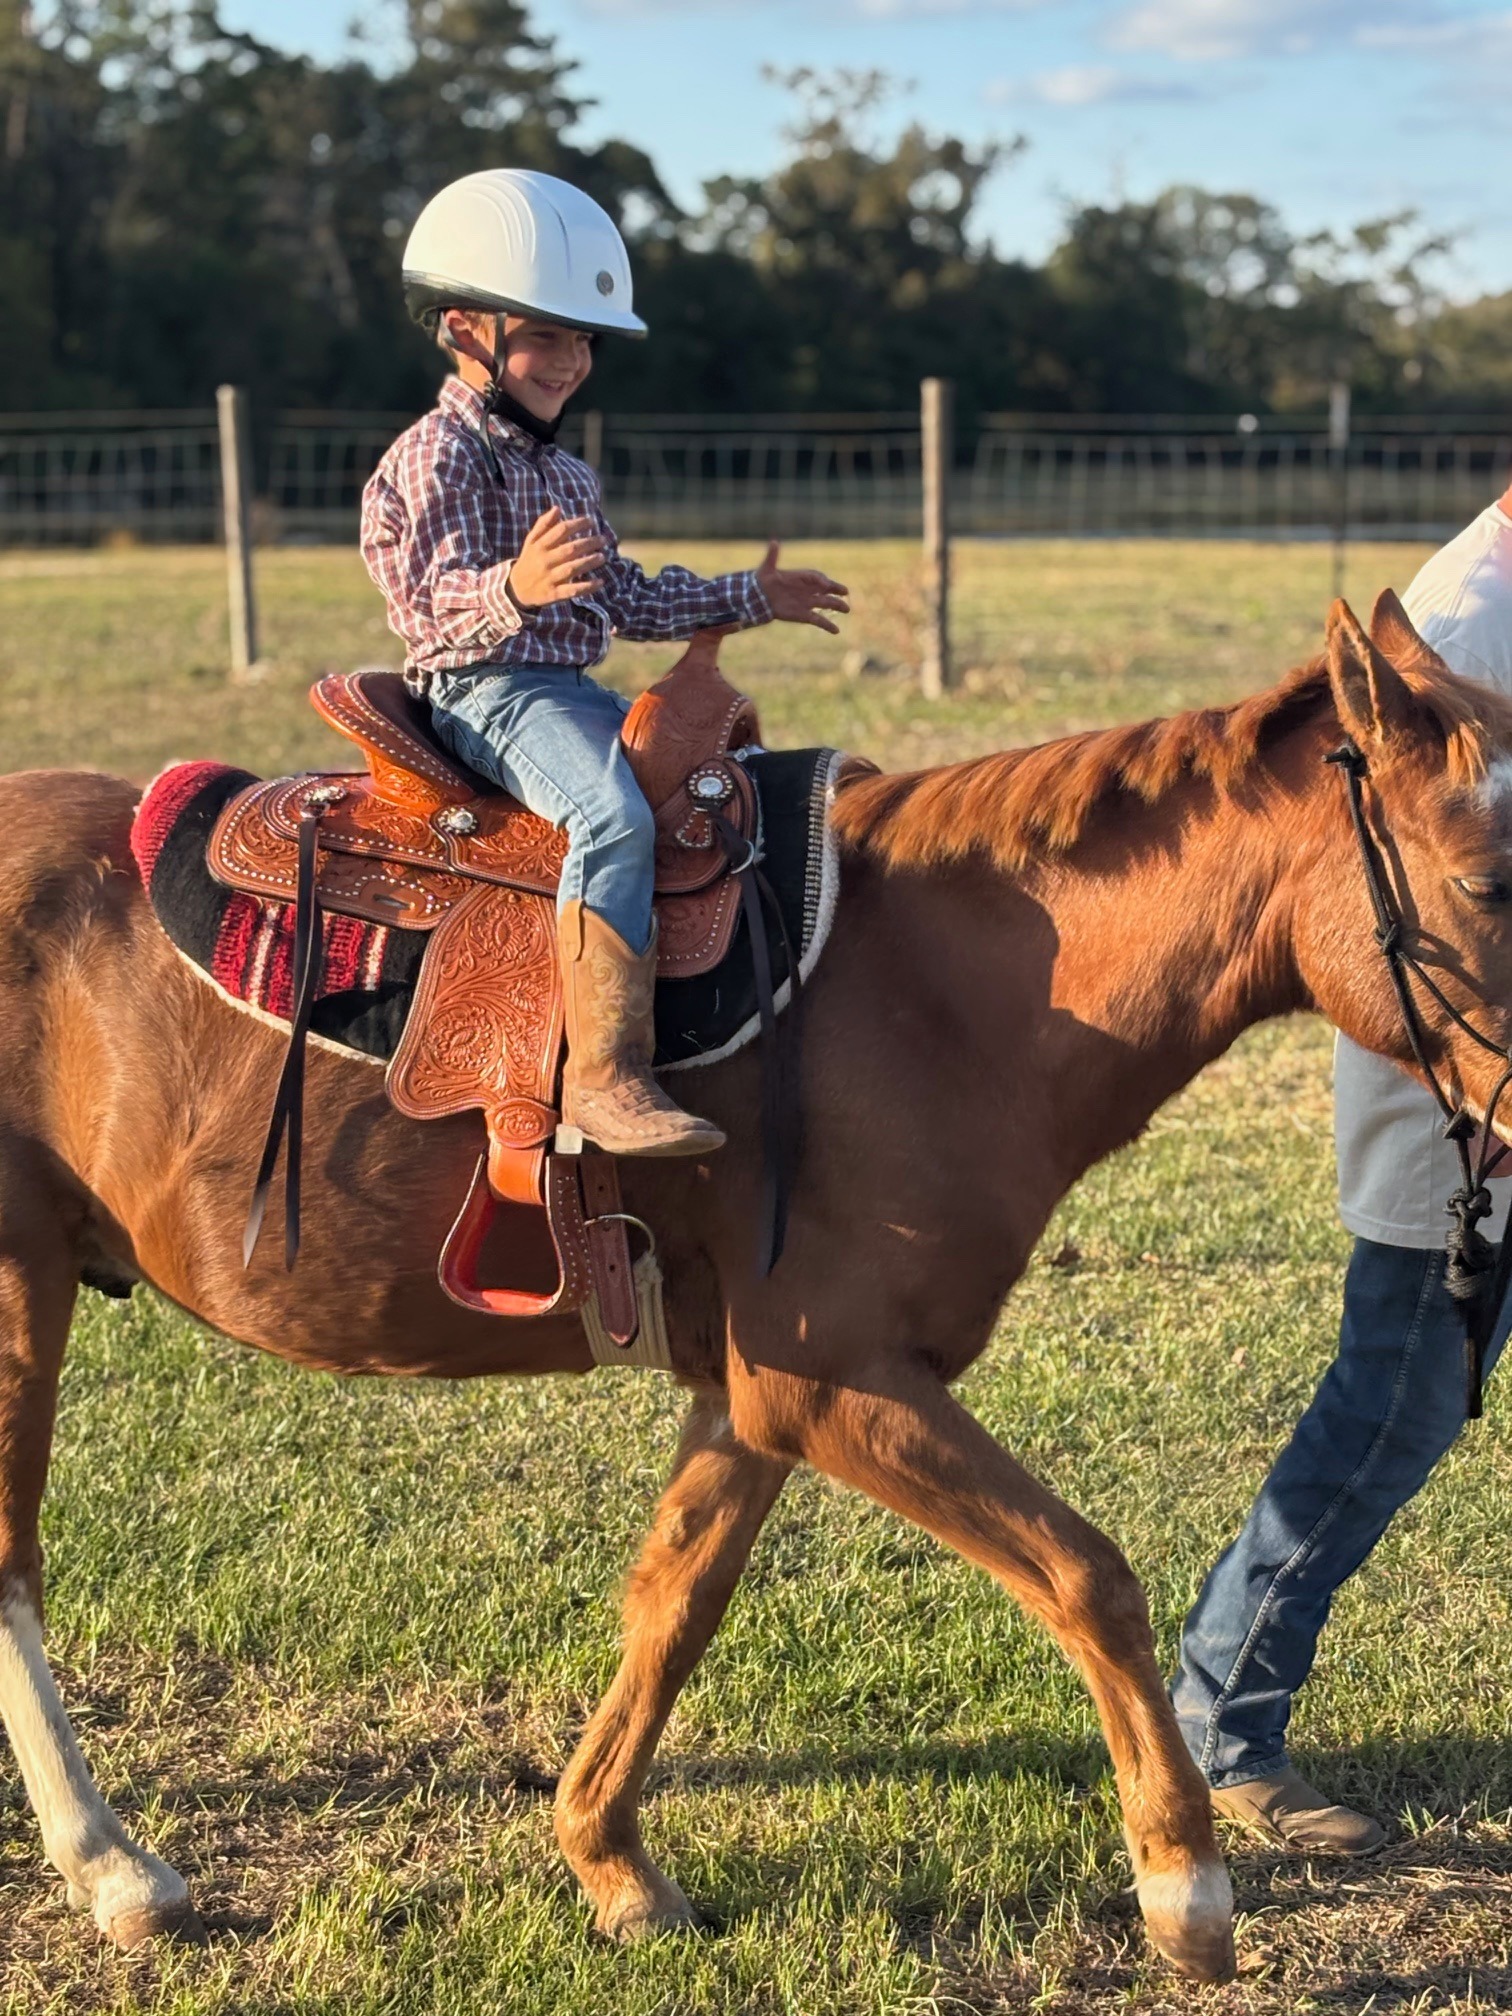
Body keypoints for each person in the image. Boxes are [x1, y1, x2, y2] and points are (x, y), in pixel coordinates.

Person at [361, 168, 849, 1157]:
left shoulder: (563, 471)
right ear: (465, 329)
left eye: (583, 340)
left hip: (569, 689)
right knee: (610, 813)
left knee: (713, 782)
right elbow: (426, 605)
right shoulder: (435, 457)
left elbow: (625, 595)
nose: (571, 360)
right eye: (545, 334)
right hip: (484, 692)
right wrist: (513, 590)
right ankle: (604, 1074)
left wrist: (750, 596)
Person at [1172, 482, 1512, 1853]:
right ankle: (1220, 1724)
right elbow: (1407, 903)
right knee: (1391, 1415)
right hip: (1461, 1101)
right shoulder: (1458, 626)